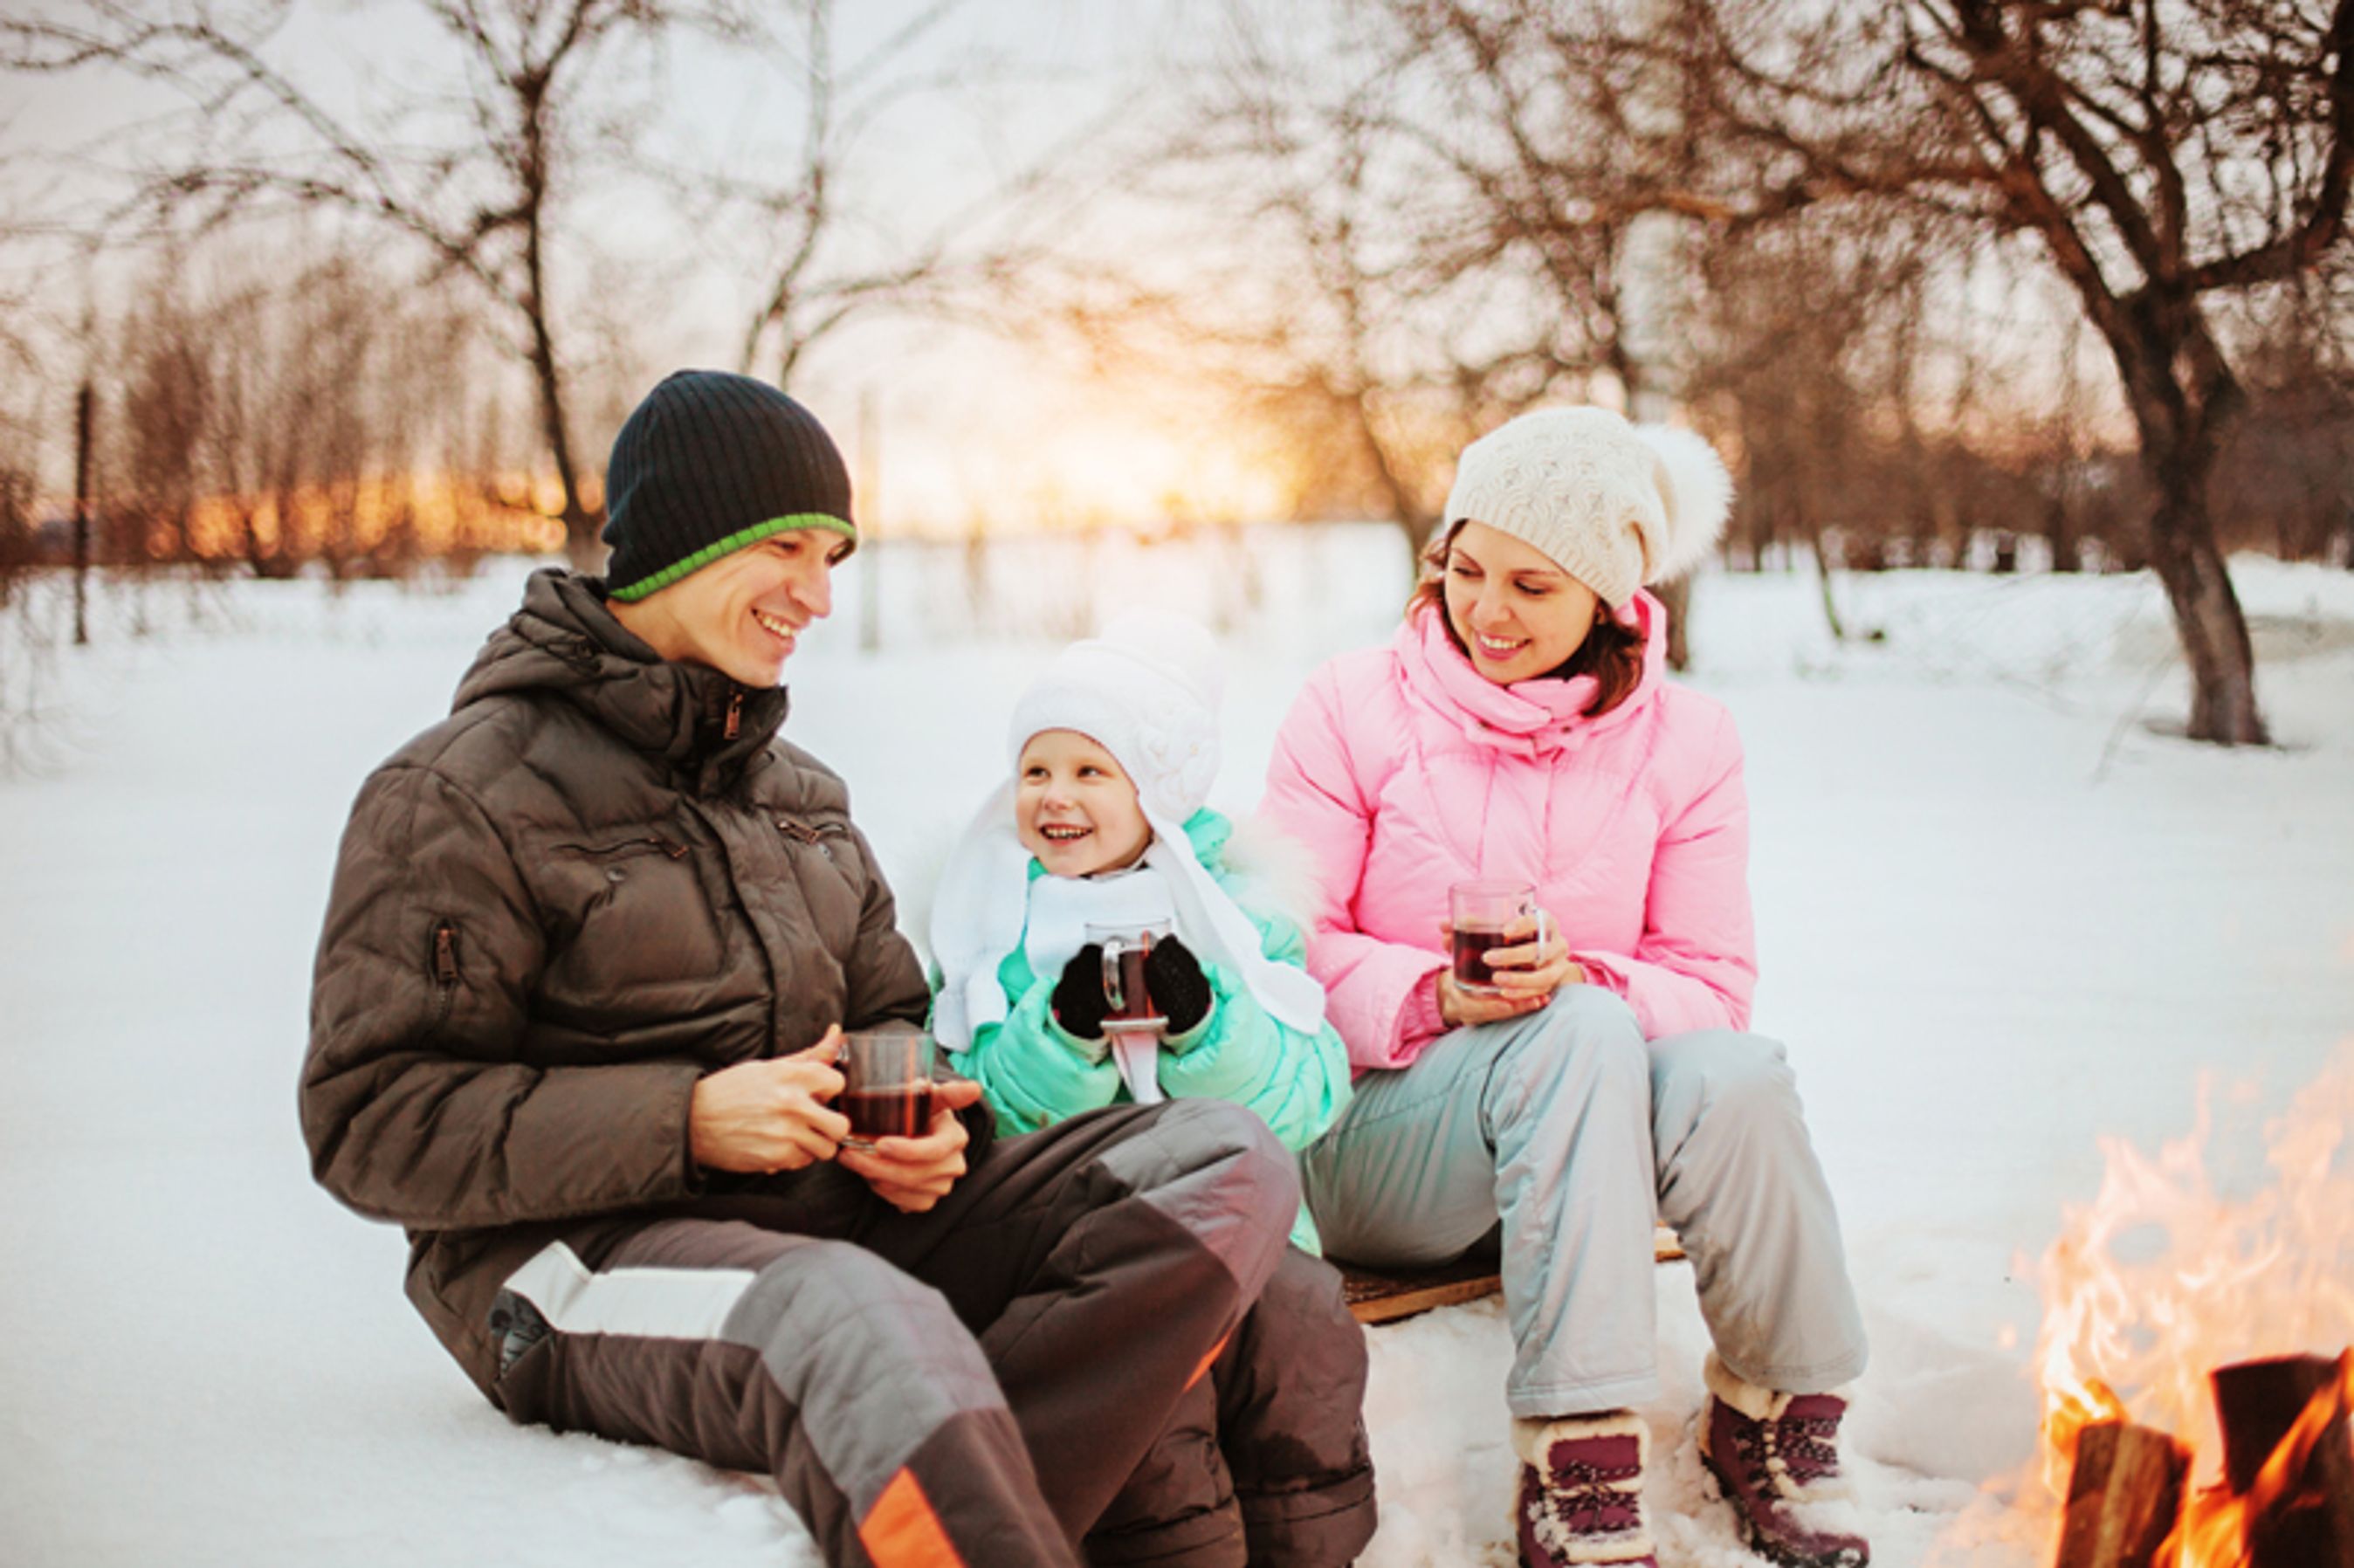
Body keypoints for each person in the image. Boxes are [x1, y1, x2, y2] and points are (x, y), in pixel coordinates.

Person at [300, 368, 1374, 1568]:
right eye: (787, 550)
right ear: (680, 543)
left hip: (829, 1217)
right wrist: (690, 1119)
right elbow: (369, 1121)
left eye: (832, 558)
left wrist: (919, 1121)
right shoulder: (458, 794)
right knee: (854, 1317)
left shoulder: (798, 795)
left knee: (1222, 1159)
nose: (817, 596)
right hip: (569, 1260)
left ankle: (972, 1477)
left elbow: (892, 1015)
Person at [1262, 407, 1871, 1568]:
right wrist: (1431, 995)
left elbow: (1712, 987)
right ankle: (1578, 1458)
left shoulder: (1689, 741)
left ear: (1607, 596)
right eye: (1466, 569)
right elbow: (1271, 958)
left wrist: (1582, 975)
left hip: (1583, 1138)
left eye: (1531, 585)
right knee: (1577, 1027)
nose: (1486, 611)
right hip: (1379, 1140)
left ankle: (1774, 1409)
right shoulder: (1347, 706)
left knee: (1735, 1071)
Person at [928, 609, 1361, 1258]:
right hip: (1057, 1237)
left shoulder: (1236, 918)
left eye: (1089, 772)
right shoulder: (984, 933)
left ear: (1155, 796)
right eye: (1036, 772)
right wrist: (1062, 1040)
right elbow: (970, 1114)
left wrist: (1205, 1027)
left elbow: (1304, 1103)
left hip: (1234, 1232)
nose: (1054, 795)